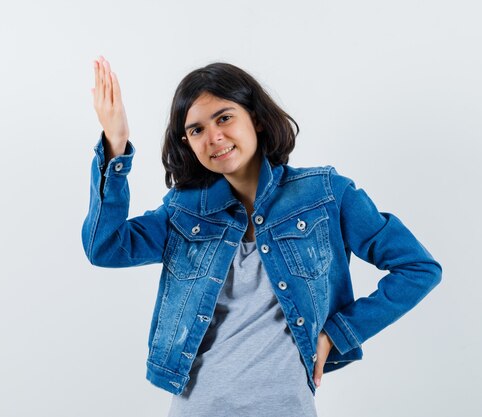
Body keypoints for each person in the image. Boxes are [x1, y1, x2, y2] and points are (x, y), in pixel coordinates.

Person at [81, 56, 442, 416]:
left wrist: (338, 333)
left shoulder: (326, 194)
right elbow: (105, 247)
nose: (214, 137)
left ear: (254, 117)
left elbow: (417, 268)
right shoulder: (184, 211)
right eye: (196, 130)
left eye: (224, 118)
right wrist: (115, 145)